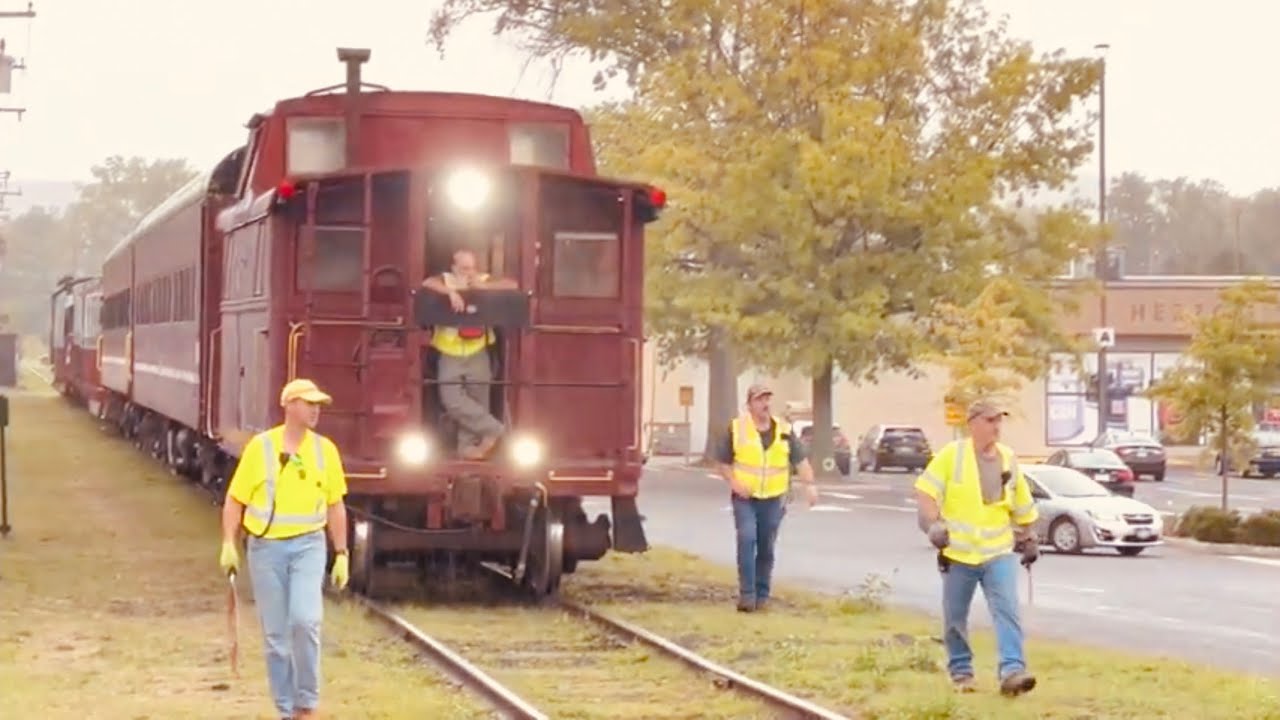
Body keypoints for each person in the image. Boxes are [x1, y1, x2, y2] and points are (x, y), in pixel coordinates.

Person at [218, 378, 351, 720]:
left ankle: (307, 703)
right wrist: (228, 544)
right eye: (309, 403)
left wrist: (342, 554)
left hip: (309, 546)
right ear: (289, 405)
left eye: (318, 403)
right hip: (265, 550)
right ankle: (286, 710)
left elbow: (336, 505)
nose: (316, 409)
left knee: (305, 622)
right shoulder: (260, 449)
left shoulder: (325, 451)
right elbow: (235, 501)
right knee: (276, 636)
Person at [913, 398, 1040, 697]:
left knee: (1007, 610)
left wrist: (1029, 536)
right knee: (955, 617)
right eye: (989, 420)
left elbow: (1021, 503)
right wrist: (934, 525)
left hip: (998, 552)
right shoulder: (951, 455)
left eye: (999, 421)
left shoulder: (1008, 458)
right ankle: (961, 673)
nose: (996, 427)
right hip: (959, 554)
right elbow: (925, 491)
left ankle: (1012, 671)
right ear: (972, 424)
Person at [715, 384, 819, 612]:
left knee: (766, 546)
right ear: (750, 404)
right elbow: (722, 463)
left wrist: (809, 486)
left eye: (767, 399)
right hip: (746, 498)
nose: (765, 404)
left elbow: (800, 460)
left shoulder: (783, 429)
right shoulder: (736, 428)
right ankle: (747, 595)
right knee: (746, 538)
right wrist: (734, 482)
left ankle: (762, 595)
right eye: (760, 399)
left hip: (773, 498)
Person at [422, 248, 517, 459]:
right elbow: (427, 283)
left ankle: (467, 449)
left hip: (478, 351)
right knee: (452, 400)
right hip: (449, 353)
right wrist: (450, 292)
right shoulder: (445, 280)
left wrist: (484, 286)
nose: (470, 272)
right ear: (454, 268)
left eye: (473, 268)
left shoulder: (481, 279)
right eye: (465, 268)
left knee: (477, 400)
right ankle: (496, 430)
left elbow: (512, 285)